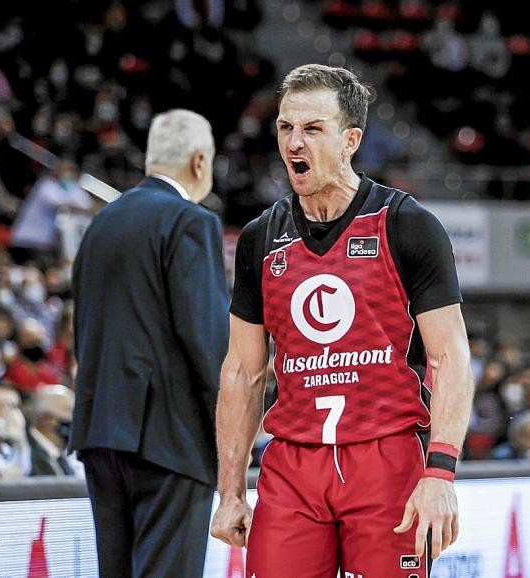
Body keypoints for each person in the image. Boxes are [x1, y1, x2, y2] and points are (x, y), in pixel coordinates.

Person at [211, 64, 474, 578]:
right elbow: (242, 372)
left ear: (351, 139)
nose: (294, 143)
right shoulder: (261, 238)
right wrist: (229, 491)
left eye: (312, 129)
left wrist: (440, 471)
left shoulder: (408, 225)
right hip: (292, 465)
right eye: (286, 128)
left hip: (386, 457)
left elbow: (450, 357)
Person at [70, 109, 229, 577]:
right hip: (169, 440)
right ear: (200, 162)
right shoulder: (190, 220)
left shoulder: (100, 224)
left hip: (100, 435)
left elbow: (85, 333)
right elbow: (207, 341)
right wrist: (236, 427)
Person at [28, 384, 83, 477]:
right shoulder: (26, 453)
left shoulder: (59, 455)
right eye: (70, 411)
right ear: (47, 419)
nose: (77, 419)